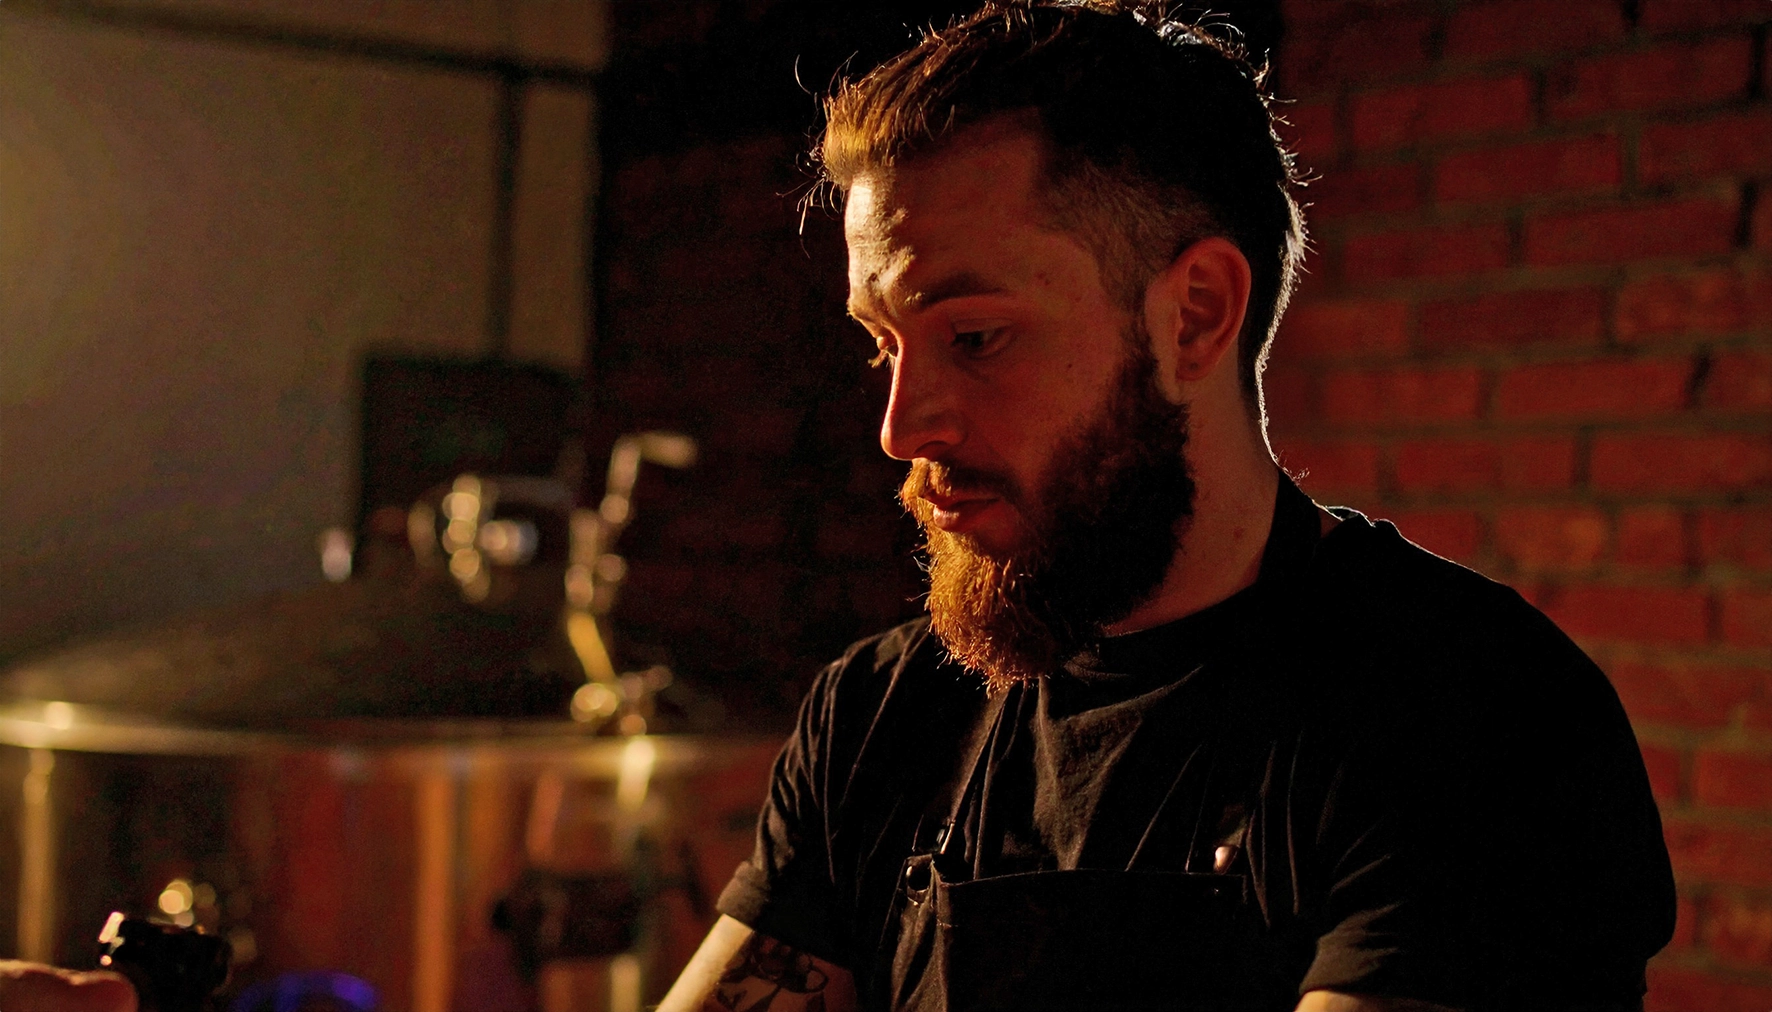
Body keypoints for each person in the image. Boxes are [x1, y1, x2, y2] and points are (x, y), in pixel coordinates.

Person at [659, 2, 1676, 1011]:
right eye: (883, 343)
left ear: (1192, 317)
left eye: (972, 337)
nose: (899, 426)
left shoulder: (1467, 717)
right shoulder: (880, 719)